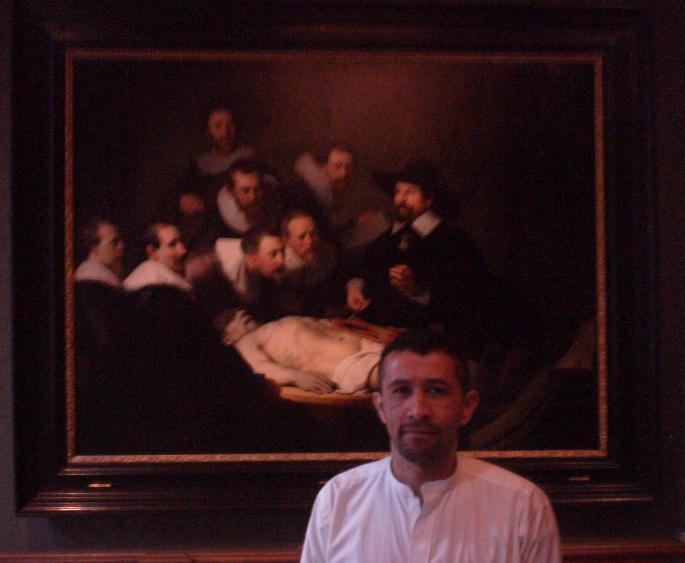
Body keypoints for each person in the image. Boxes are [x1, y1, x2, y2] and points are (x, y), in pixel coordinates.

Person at [301, 329, 561, 562]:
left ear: (467, 406)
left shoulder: (522, 506)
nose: (418, 410)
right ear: (380, 406)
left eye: (436, 391)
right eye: (402, 391)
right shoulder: (338, 501)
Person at [346, 161, 491, 349]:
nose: (401, 199)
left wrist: (417, 291)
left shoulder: (454, 240)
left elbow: (466, 299)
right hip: (373, 335)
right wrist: (355, 289)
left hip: (425, 344)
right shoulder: (387, 238)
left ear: (428, 199)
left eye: (410, 192)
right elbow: (363, 270)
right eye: (398, 192)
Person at [160, 107, 256, 250]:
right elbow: (179, 193)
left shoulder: (249, 157)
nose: (225, 132)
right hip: (210, 228)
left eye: (229, 125)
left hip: (242, 225)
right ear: (208, 132)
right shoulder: (201, 165)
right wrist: (182, 199)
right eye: (218, 126)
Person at [291, 144, 390, 252]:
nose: (344, 174)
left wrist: (356, 222)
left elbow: (327, 230)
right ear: (323, 168)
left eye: (348, 167)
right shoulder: (305, 196)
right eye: (337, 166)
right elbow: (326, 239)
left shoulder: (322, 194)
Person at [278, 210, 338, 317]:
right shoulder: (282, 269)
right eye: (302, 237)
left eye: (313, 234)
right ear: (286, 241)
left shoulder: (326, 252)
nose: (310, 241)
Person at [123, 222, 191, 293]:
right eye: (172, 244)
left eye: (182, 240)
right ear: (152, 252)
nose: (183, 251)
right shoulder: (153, 278)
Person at [74, 218, 125, 288]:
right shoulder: (92, 276)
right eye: (114, 242)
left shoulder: (99, 272)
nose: (121, 246)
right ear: (94, 247)